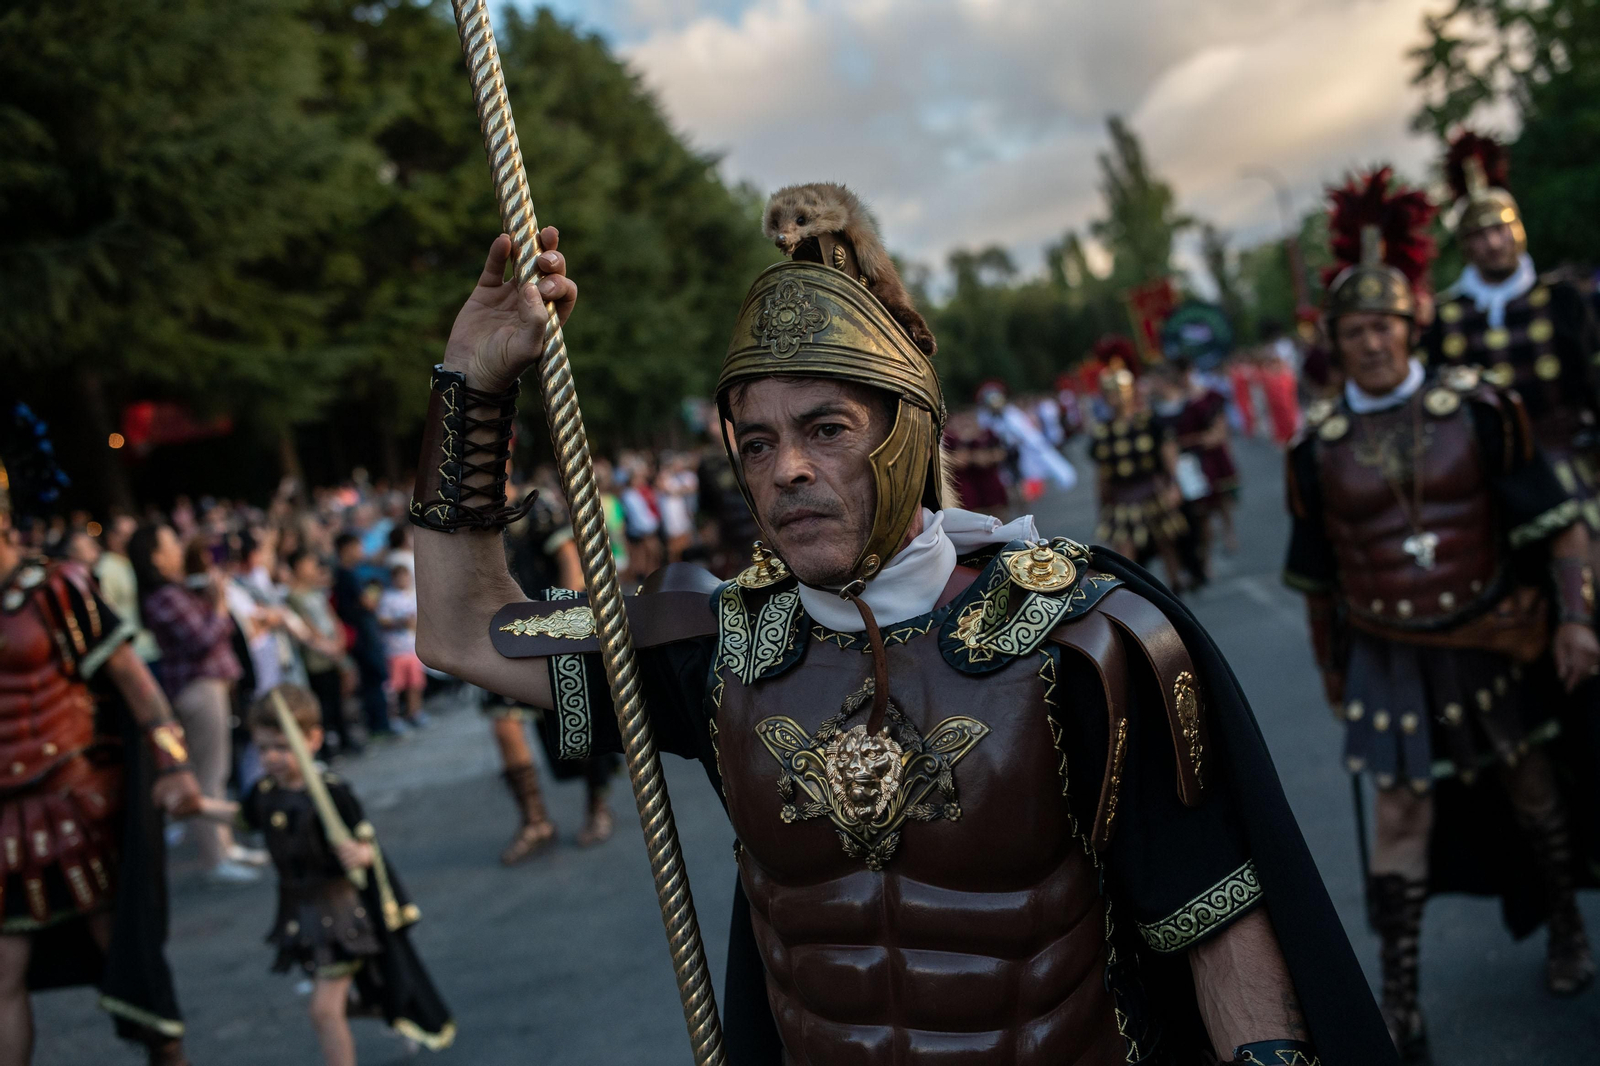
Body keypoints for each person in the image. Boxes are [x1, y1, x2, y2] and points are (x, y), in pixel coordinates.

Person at [410, 225, 1395, 1065]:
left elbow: (1215, 929)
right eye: (756, 442)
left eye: (825, 429)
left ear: (906, 437)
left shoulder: (1076, 640)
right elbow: (460, 630)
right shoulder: (715, 650)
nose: (787, 467)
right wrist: (472, 386)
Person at [1282, 168, 1598, 1061]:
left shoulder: (1481, 410)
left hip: (1491, 633)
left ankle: (1568, 926)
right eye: (1353, 331)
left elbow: (1559, 529)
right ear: (1336, 344)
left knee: (1531, 789)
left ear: (1409, 325)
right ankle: (1402, 999)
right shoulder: (1314, 451)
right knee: (1400, 817)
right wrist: (1334, 673)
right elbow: (1317, 586)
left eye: (1383, 324)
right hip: (1386, 654)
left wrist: (1575, 621)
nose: (1371, 342)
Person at [0, 412, 204, 1066]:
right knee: (2, 973)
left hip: (78, 801)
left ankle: (168, 1058)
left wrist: (175, 764)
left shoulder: (57, 588)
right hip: (5, 819)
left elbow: (133, 681)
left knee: (128, 954)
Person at [243, 684, 453, 1063]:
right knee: (347, 1002)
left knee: (323, 1010)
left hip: (342, 916)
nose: (272, 757)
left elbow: (365, 843)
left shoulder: (332, 792)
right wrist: (198, 807)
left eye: (282, 746)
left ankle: (390, 1015)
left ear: (313, 739)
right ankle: (395, 1012)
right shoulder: (264, 791)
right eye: (263, 748)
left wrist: (360, 852)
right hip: (301, 915)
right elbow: (242, 819)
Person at [1427, 130, 1600, 568]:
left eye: (1500, 230)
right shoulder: (1447, 315)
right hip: (1485, 476)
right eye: (1479, 235)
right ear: (1465, 246)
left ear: (1517, 230)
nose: (1493, 243)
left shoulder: (1560, 299)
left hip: (1568, 459)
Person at [133, 523, 261, 884]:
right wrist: (219, 605)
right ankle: (216, 857)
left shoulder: (173, 592)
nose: (178, 548)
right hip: (197, 688)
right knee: (208, 775)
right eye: (170, 542)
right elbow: (203, 639)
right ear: (155, 556)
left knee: (216, 772)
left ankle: (225, 847)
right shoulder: (165, 597)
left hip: (205, 686)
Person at [1090, 365, 1188, 591]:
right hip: (1122, 495)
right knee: (1125, 551)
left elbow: (1168, 453)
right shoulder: (1103, 431)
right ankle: (1136, 594)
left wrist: (1174, 485)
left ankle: (1176, 581)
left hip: (1151, 490)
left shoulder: (1148, 422)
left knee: (1166, 541)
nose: (1112, 398)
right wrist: (1102, 503)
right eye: (1108, 393)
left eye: (1116, 392)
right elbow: (1102, 473)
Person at [285, 549, 360, 757]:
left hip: (332, 651)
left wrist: (339, 640)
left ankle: (345, 738)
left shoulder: (315, 591)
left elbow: (331, 616)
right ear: (297, 566)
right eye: (308, 563)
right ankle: (326, 746)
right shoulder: (294, 596)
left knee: (338, 699)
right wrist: (328, 646)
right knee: (323, 704)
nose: (313, 567)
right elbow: (307, 627)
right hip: (317, 657)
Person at [332, 533, 394, 739]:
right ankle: (379, 726)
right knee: (373, 679)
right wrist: (376, 588)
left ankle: (381, 724)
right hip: (362, 637)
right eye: (358, 546)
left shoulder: (347, 573)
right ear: (347, 548)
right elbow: (367, 602)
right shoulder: (345, 574)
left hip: (363, 634)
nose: (362, 551)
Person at [96, 515, 160, 663]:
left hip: (154, 646)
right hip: (139, 653)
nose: (133, 539)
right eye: (127, 535)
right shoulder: (106, 570)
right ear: (112, 538)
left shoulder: (134, 561)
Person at [376, 565, 427, 728]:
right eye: (400, 577)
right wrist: (400, 622)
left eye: (406, 577)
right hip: (394, 651)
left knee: (415, 684)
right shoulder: (387, 598)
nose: (404, 580)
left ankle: (415, 713)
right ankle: (394, 718)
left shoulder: (413, 595)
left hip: (412, 649)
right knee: (394, 688)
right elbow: (382, 621)